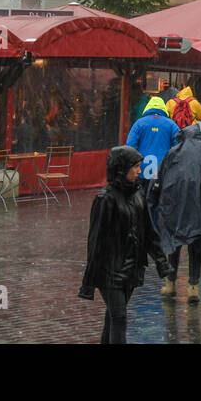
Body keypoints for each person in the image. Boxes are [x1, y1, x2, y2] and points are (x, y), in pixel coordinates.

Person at [78, 146, 172, 344]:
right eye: (135, 167)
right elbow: (96, 241)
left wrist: (162, 262)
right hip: (109, 270)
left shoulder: (138, 194)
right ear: (121, 168)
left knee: (113, 317)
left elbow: (149, 233)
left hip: (132, 269)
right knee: (119, 317)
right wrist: (89, 281)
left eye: (139, 166)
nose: (139, 171)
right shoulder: (105, 199)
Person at [148, 124, 201, 304]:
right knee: (195, 245)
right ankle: (193, 287)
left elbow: (160, 176)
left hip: (176, 204)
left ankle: (170, 283)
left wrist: (153, 198)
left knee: (175, 243)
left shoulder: (174, 151)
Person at [125, 97, 180, 184]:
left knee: (142, 195)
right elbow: (178, 146)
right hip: (163, 170)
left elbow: (130, 146)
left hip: (142, 170)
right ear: (163, 108)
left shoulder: (139, 123)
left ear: (148, 107)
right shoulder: (171, 124)